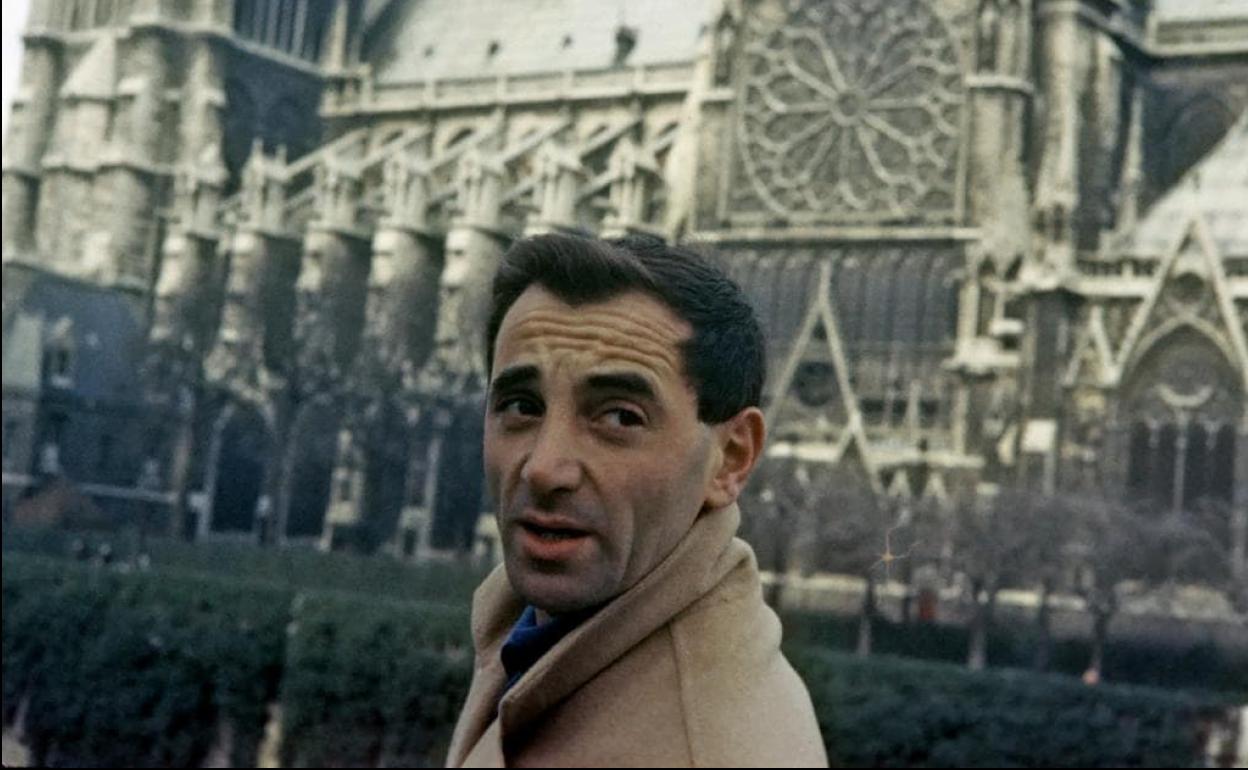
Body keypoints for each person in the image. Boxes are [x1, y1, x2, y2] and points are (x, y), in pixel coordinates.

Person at [446, 233, 827, 767]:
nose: (543, 468)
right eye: (521, 404)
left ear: (732, 457)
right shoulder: (552, 625)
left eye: (619, 416)